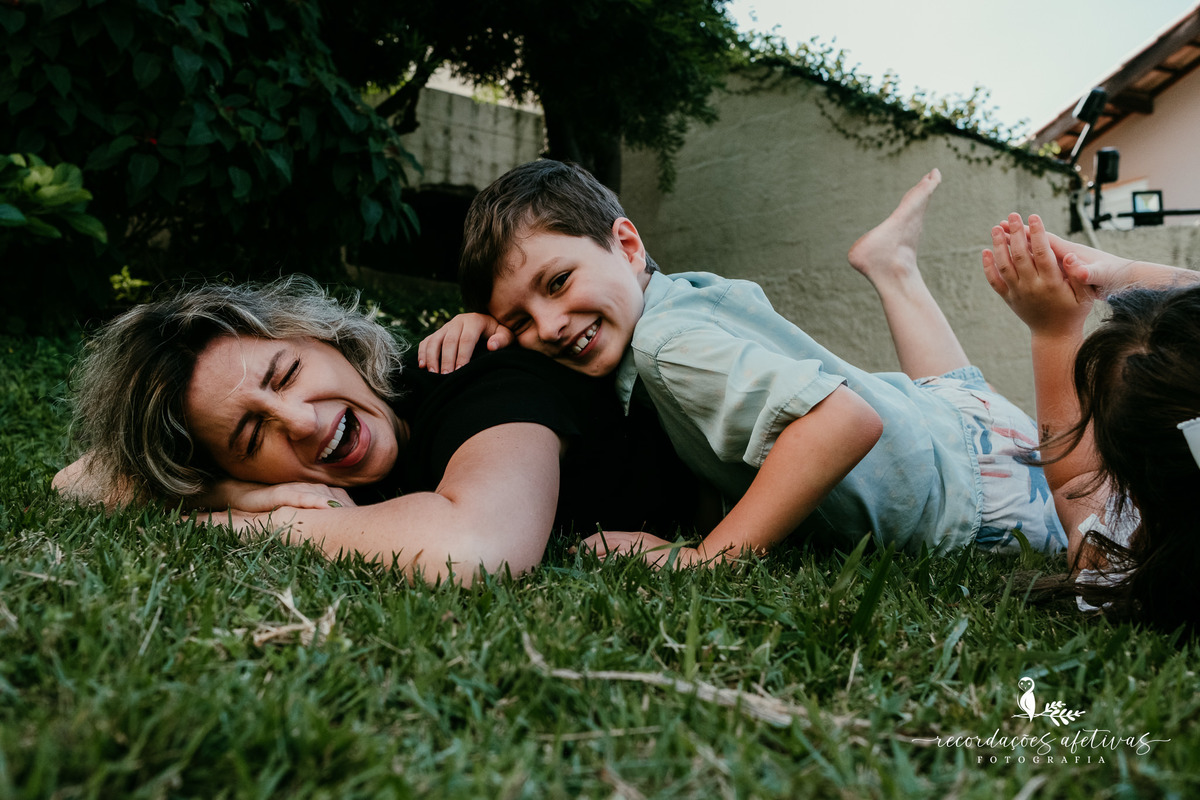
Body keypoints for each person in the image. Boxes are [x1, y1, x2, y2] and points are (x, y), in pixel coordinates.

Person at [421, 160, 1066, 565]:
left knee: (1110, 531)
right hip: (944, 414)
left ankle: (897, 270)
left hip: (979, 503)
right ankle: (892, 267)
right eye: (521, 320)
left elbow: (842, 421)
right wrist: (491, 329)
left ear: (625, 243)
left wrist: (713, 558)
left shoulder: (664, 346)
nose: (552, 327)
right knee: (949, 393)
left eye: (558, 282)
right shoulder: (667, 298)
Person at [53, 276, 704, 584]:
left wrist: (260, 522)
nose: (302, 422)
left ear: (326, 340)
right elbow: (77, 480)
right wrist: (236, 492)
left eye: (285, 375)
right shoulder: (283, 478)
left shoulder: (485, 381)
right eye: (252, 438)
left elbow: (479, 549)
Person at [981, 214, 1200, 632]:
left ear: (1128, 474)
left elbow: (1077, 479)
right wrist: (1125, 272)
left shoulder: (1115, 561)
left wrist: (1054, 331)